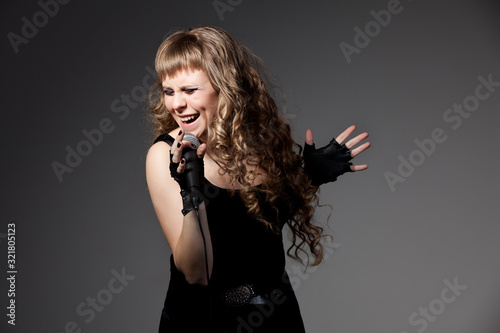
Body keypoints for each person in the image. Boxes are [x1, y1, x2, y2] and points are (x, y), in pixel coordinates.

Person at [145, 25, 370, 333]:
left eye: (189, 90)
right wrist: (191, 192)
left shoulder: (259, 143)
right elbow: (197, 272)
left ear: (225, 85)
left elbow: (259, 227)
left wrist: (307, 176)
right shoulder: (165, 155)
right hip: (203, 322)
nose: (177, 104)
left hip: (275, 317)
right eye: (169, 91)